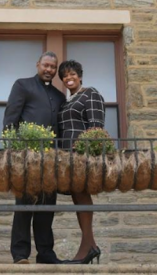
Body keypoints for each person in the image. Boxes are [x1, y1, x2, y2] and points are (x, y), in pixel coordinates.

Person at [3, 51, 66, 264]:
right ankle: (20, 254)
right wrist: (12, 151)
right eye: (45, 65)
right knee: (24, 206)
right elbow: (10, 119)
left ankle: (46, 254)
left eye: (53, 67)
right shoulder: (22, 85)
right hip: (26, 158)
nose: (49, 70)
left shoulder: (59, 96)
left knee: (47, 207)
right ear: (38, 64)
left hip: (51, 160)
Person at [57, 60, 105, 265]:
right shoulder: (67, 102)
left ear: (80, 75)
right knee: (78, 197)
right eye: (65, 76)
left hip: (81, 154)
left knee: (82, 195)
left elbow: (96, 127)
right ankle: (90, 246)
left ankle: (88, 247)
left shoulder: (90, 94)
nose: (69, 78)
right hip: (66, 154)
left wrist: (87, 154)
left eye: (72, 74)